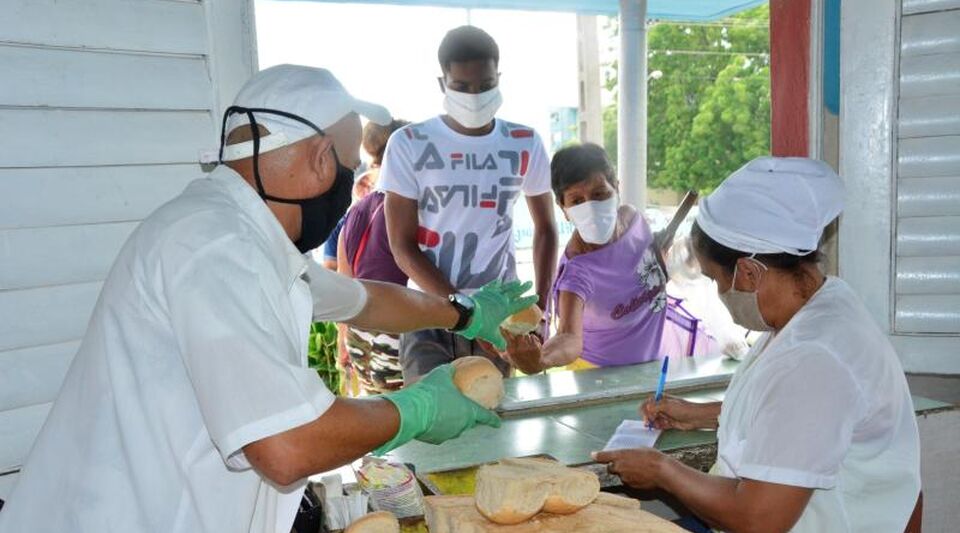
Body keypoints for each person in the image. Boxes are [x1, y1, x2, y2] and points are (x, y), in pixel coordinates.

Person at [0, 65, 536, 533]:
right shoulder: (214, 246)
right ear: (324, 159)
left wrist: (464, 312)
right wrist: (415, 409)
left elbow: (364, 300)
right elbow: (288, 446)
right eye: (349, 167)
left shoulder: (242, 236)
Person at [593, 157, 921, 533]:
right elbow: (796, 415)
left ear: (749, 272)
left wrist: (662, 470)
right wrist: (701, 414)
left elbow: (758, 518)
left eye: (717, 279)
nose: (719, 292)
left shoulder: (814, 357)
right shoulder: (817, 304)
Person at [380, 26, 558, 383]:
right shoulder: (409, 143)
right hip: (428, 312)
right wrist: (466, 312)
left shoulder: (524, 141)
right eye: (461, 87)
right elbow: (401, 246)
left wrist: (539, 308)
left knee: (492, 419)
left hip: (500, 314)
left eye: (486, 85)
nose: (475, 96)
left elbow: (547, 231)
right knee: (432, 423)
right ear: (442, 83)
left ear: (499, 78)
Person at [497, 143, 713, 374]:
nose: (590, 207)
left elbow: (649, 272)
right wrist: (541, 359)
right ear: (563, 208)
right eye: (577, 201)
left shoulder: (634, 222)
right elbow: (569, 337)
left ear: (616, 189)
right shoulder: (577, 271)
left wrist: (666, 261)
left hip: (656, 360)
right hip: (600, 379)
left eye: (599, 194)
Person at [336, 119, 411, 395]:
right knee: (411, 425)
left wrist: (343, 340)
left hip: (361, 338)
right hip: (395, 336)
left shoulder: (357, 209)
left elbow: (344, 282)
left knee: (380, 421)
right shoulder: (407, 207)